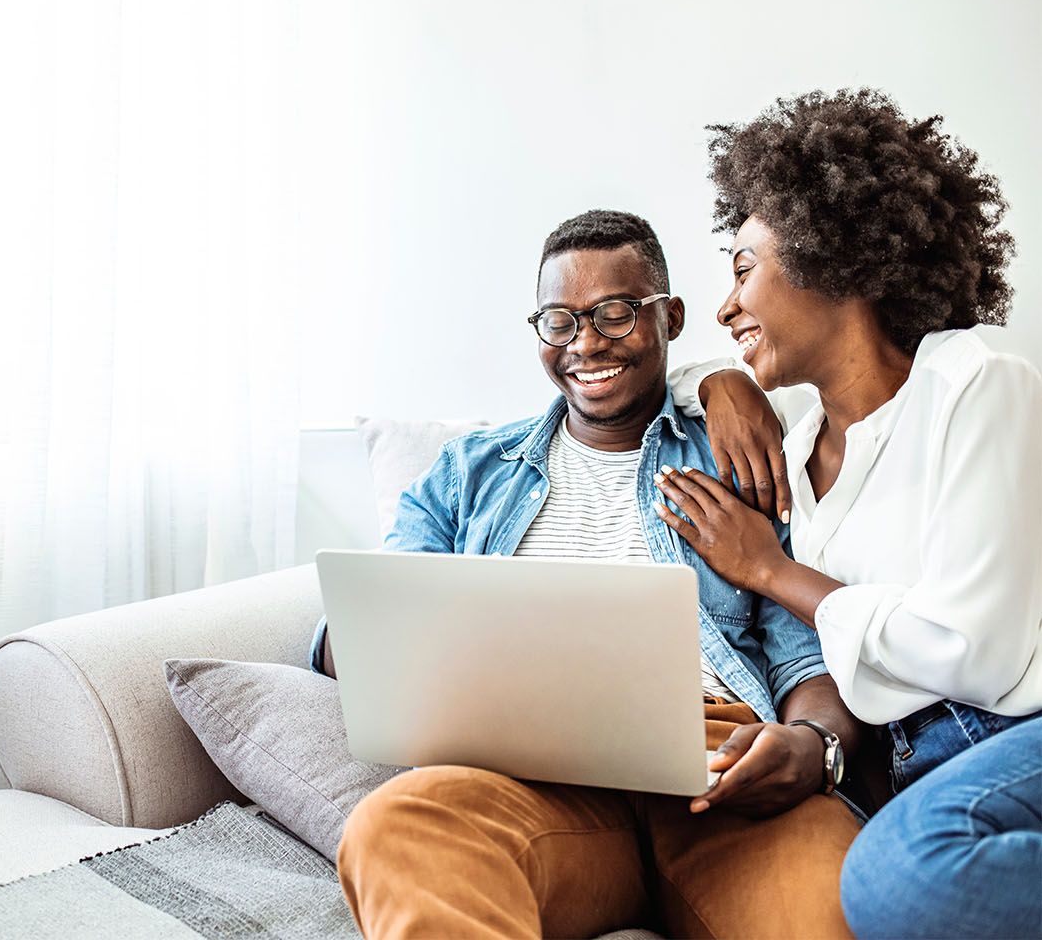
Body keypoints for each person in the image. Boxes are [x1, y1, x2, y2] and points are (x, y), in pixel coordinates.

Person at [318, 209, 863, 940]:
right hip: (529, 782)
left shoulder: (741, 456)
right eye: (558, 321)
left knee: (828, 905)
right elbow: (364, 628)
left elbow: (809, 653)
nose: (584, 344)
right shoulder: (467, 474)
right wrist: (362, 642)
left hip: (721, 771)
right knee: (394, 826)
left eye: (614, 314)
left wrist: (814, 747)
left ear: (669, 317)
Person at [657, 88, 1042, 940]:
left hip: (1014, 726)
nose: (725, 308)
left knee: (898, 877)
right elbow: (674, 372)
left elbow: (976, 653)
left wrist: (771, 570)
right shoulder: (792, 443)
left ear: (831, 254)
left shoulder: (975, 383)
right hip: (907, 768)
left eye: (742, 267)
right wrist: (717, 383)